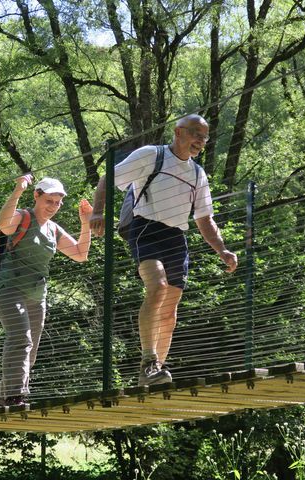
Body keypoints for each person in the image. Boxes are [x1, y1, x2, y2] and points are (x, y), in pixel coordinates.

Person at [90, 114, 238, 386]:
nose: (200, 141)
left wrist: (223, 251)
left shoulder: (197, 173)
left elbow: (205, 220)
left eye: (204, 138)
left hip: (176, 238)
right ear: (178, 132)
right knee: (156, 287)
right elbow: (105, 178)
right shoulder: (151, 155)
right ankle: (148, 363)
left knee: (170, 311)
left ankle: (157, 373)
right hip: (145, 229)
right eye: (196, 134)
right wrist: (97, 213)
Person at [0, 175, 93, 406]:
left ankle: (2, 398)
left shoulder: (53, 230)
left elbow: (80, 254)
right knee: (21, 338)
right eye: (49, 201)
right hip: (9, 288)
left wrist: (85, 222)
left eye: (58, 203)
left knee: (31, 351)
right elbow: (2, 223)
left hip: (37, 295)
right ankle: (15, 396)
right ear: (36, 196)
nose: (53, 207)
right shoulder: (23, 218)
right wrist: (17, 190)